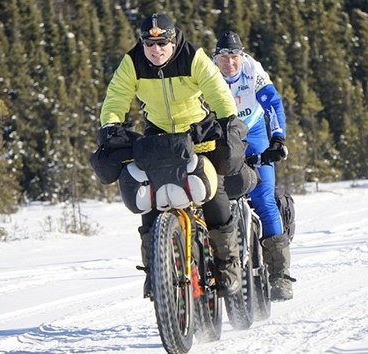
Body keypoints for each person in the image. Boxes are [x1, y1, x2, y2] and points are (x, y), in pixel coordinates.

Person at [98, 14, 242, 297]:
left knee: (213, 192)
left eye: (162, 42)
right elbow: (115, 98)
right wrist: (110, 125)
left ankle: (228, 263)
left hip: (197, 131)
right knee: (151, 201)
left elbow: (218, 91)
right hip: (158, 133)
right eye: (149, 43)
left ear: (173, 40)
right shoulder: (133, 63)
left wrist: (227, 121)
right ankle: (155, 271)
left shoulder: (193, 57)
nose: (156, 49)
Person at [213, 31, 295, 301]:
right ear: (217, 57)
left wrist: (278, 138)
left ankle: (279, 275)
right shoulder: (208, 72)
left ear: (242, 55)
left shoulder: (252, 69)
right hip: (224, 134)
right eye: (224, 57)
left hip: (255, 131)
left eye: (234, 56)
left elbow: (272, 104)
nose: (229, 63)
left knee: (264, 197)